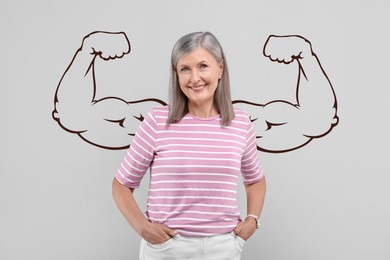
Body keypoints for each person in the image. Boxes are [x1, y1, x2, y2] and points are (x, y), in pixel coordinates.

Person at [112, 31, 266, 260]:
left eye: (203, 66)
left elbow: (255, 180)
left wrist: (252, 219)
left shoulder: (240, 123)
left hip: (223, 247)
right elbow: (121, 185)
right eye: (185, 69)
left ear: (220, 69)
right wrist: (142, 227)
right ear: (176, 74)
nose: (194, 78)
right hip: (167, 248)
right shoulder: (157, 121)